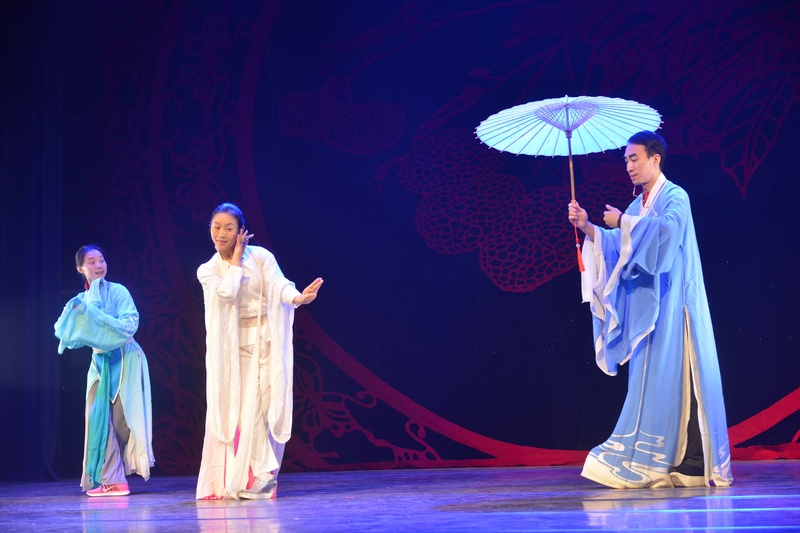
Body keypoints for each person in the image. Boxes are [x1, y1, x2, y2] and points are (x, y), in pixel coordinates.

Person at [567, 131, 733, 489]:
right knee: (654, 381)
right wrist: (589, 227)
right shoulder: (636, 206)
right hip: (650, 308)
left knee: (685, 375)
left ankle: (695, 461)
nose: (629, 166)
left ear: (655, 159)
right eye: (626, 160)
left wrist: (624, 224)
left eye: (635, 158)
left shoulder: (675, 196)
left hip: (678, 303)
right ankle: (658, 458)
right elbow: (618, 245)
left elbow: (668, 231)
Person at [196, 202, 324, 500]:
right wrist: (236, 260)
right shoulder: (208, 270)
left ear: (241, 231)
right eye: (216, 227)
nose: (221, 234)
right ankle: (265, 472)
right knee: (246, 409)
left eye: (229, 228)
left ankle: (261, 473)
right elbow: (227, 292)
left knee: (269, 403)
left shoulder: (262, 256)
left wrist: (298, 298)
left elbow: (279, 285)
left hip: (267, 338)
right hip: (236, 347)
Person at [54, 245, 154, 496]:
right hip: (99, 362)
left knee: (122, 421)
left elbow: (130, 324)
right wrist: (77, 323)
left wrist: (96, 320)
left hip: (125, 356)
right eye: (91, 262)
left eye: (101, 260)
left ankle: (116, 476)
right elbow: (68, 336)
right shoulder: (82, 301)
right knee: (97, 418)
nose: (99, 265)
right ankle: (111, 479)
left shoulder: (118, 291)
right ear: (80, 268)